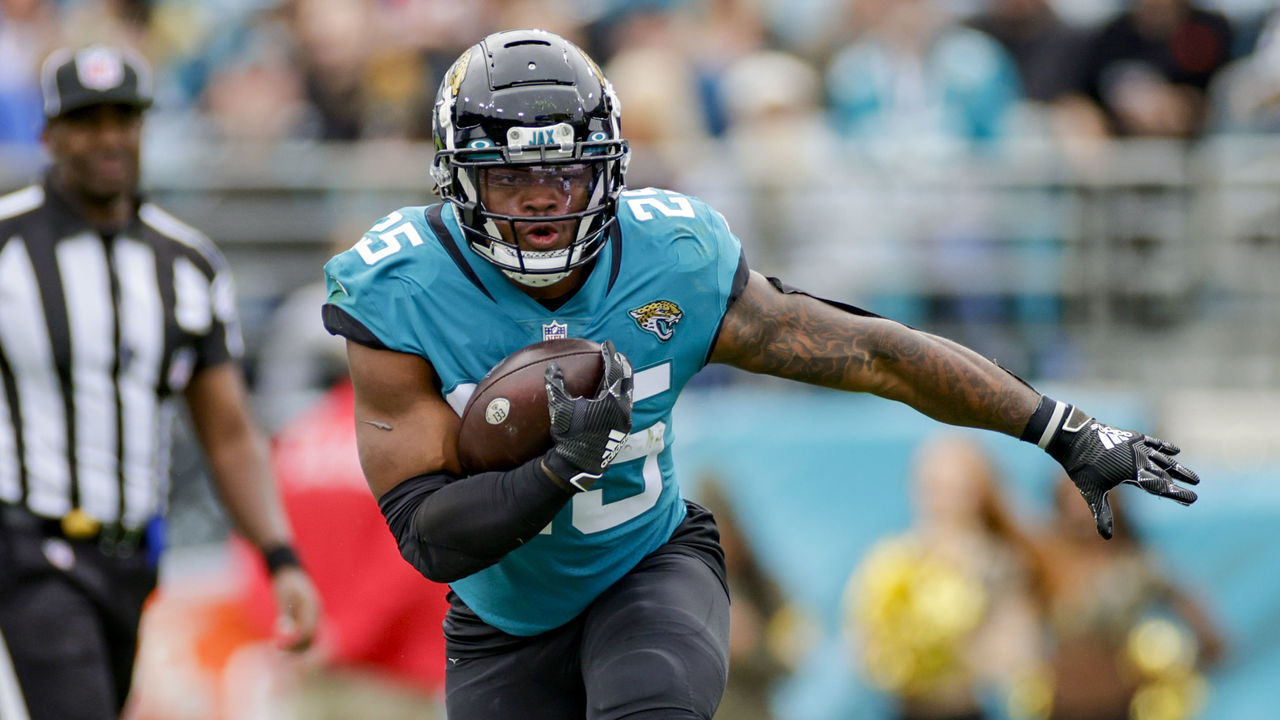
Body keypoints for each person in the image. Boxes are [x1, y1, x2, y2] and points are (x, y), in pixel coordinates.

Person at [320, 29, 1202, 719]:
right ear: (457, 178)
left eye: (568, 167)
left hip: (646, 564)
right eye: (512, 175)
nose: (545, 196)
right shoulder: (399, 288)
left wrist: (1058, 428)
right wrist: (560, 466)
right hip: (502, 621)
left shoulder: (671, 257)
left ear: (611, 166)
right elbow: (429, 536)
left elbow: (872, 352)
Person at [0, 45, 320, 720]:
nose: (108, 137)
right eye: (87, 121)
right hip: (26, 543)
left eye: (124, 118)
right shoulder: (6, 245)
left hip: (131, 557)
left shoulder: (186, 263)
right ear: (49, 133)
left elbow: (228, 431)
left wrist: (280, 556)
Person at [846, 435, 1044, 720]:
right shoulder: (892, 560)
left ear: (977, 492)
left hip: (966, 708)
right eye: (932, 486)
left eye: (952, 487)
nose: (940, 499)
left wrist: (957, 651)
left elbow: (1020, 650)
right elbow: (860, 643)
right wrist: (895, 654)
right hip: (904, 708)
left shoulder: (998, 563)